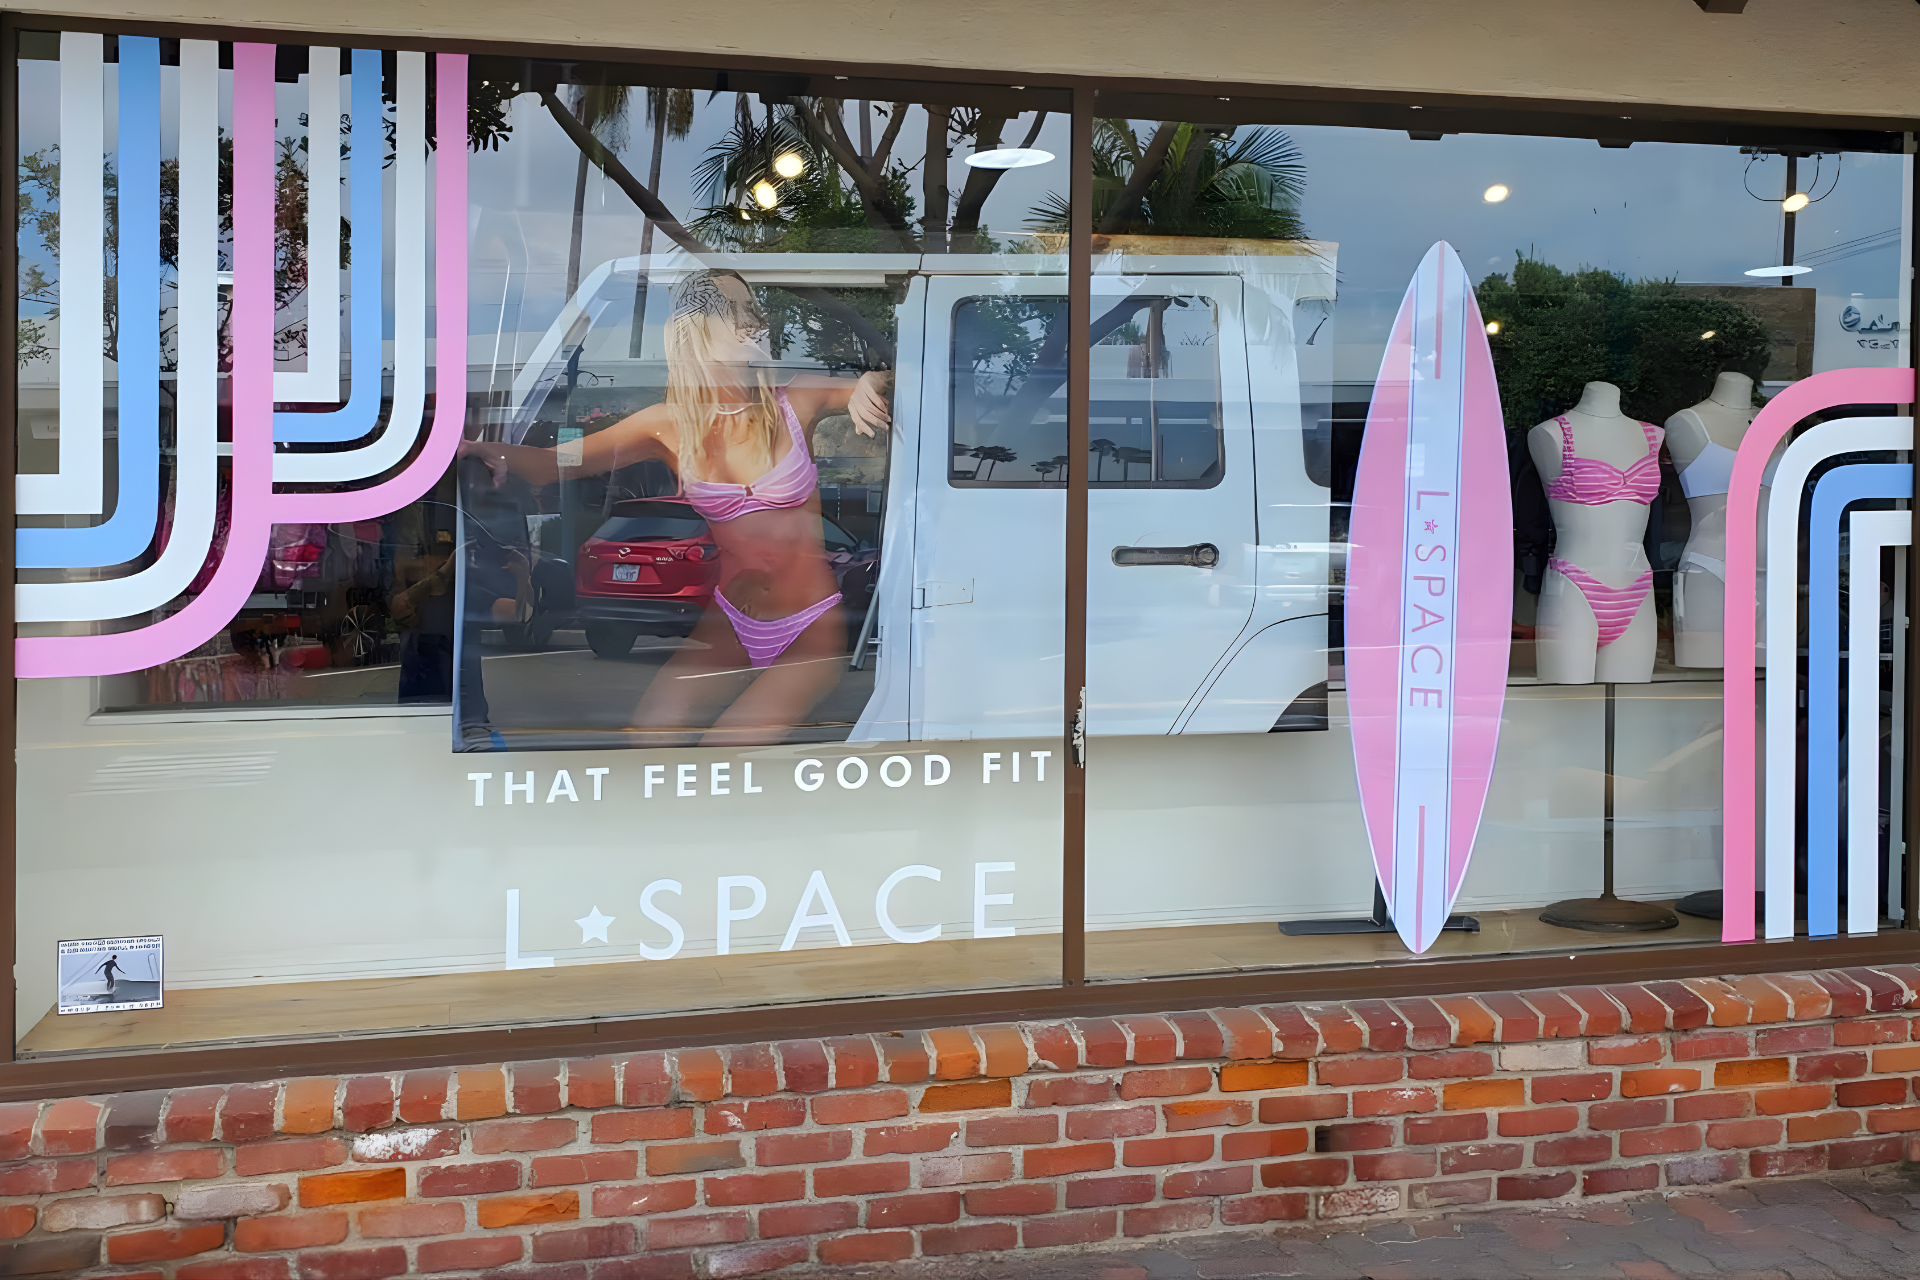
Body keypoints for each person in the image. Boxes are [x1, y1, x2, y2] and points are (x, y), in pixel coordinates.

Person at [466, 270, 891, 745]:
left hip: (809, 623)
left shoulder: (796, 402)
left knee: (724, 754)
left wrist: (870, 381)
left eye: (754, 306)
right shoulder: (669, 426)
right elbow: (559, 462)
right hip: (732, 620)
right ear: (702, 330)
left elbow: (890, 384)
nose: (760, 318)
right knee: (648, 739)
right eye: (742, 309)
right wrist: (482, 450)